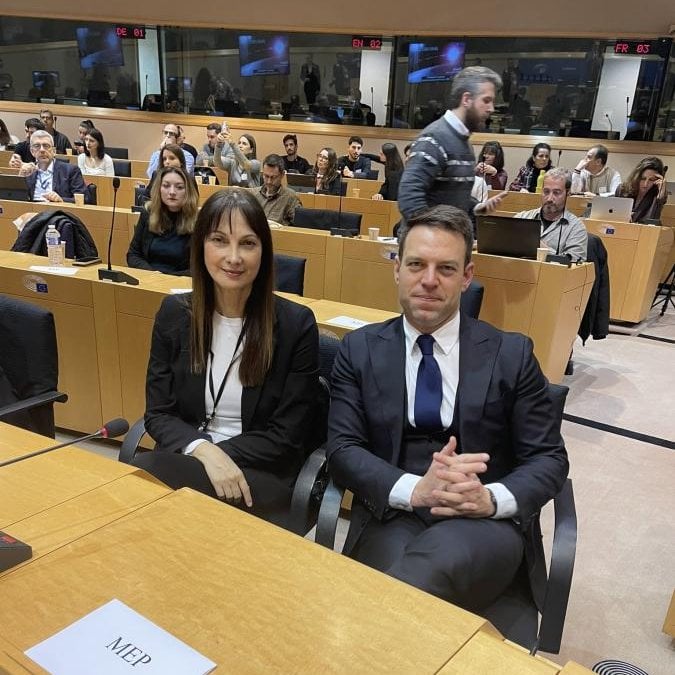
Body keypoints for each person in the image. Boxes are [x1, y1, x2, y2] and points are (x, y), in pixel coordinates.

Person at [326, 203, 568, 614]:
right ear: (397, 269)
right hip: (395, 511)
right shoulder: (358, 350)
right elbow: (342, 449)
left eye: (446, 269)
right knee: (403, 588)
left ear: (467, 277)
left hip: (481, 521)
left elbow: (548, 458)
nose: (429, 280)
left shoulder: (511, 354)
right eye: (416, 264)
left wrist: (490, 498)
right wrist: (414, 489)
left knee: (397, 590)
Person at [133, 189, 322, 526]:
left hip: (260, 471)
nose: (233, 257)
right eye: (219, 240)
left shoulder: (296, 325)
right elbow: (158, 413)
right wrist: (203, 450)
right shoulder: (174, 313)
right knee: (143, 490)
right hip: (191, 454)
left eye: (247, 243)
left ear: (264, 251)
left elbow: (286, 436)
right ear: (201, 246)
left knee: (151, 485)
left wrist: (218, 455)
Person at [398, 66, 506, 221]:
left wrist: (476, 208)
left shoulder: (464, 142)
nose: (491, 109)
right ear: (466, 99)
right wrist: (437, 233)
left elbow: (451, 198)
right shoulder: (434, 139)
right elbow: (409, 199)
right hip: (434, 236)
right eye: (486, 100)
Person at [127, 165, 198, 275]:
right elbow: (133, 255)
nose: (172, 192)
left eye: (179, 187)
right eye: (166, 186)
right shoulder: (148, 213)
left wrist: (166, 278)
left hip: (180, 281)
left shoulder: (197, 221)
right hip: (148, 278)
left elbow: (199, 267)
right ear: (159, 189)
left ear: (188, 191)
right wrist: (152, 274)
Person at [514, 168, 588, 261]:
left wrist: (542, 249)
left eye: (556, 193)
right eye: (546, 191)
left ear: (567, 193)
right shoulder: (521, 218)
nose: (549, 198)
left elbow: (575, 261)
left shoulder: (576, 227)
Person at [19, 130, 89, 203]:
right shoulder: (28, 172)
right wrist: (20, 179)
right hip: (31, 209)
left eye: (46, 146)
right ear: (32, 151)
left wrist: (61, 200)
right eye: (37, 146)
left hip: (57, 209)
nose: (42, 150)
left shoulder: (70, 171)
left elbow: (84, 198)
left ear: (54, 151)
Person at [615, 156, 668, 223]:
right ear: (637, 176)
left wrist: (659, 198)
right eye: (643, 178)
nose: (645, 184)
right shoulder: (622, 190)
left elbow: (652, 222)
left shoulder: (658, 194)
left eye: (651, 180)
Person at [254, 153, 301, 226]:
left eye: (273, 177)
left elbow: (299, 226)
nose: (269, 181)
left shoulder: (290, 197)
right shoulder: (254, 194)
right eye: (266, 176)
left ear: (282, 175)